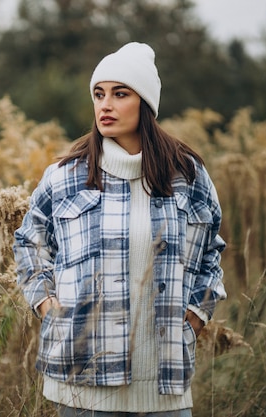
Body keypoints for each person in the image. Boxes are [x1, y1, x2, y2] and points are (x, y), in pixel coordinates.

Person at [13, 42, 227, 417]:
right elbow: (29, 241)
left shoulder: (188, 175)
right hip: (83, 380)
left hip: (164, 384)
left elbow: (212, 249)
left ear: (145, 103)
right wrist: (47, 305)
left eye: (120, 93)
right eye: (99, 94)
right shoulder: (66, 177)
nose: (105, 105)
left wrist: (196, 312)